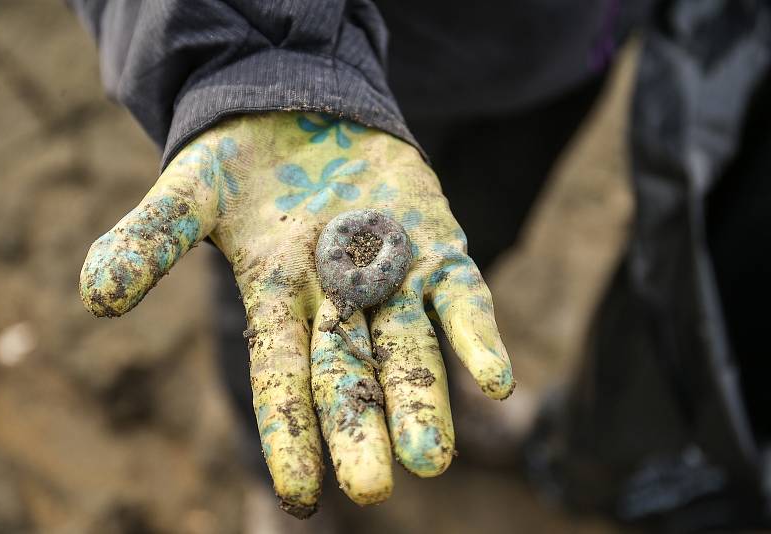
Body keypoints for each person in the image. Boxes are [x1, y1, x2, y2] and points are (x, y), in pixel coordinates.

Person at [71, 0, 771, 530]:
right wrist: (251, 52)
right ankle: (277, 480)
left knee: (465, 245)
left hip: (566, 46)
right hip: (351, 63)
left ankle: (441, 377)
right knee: (280, 305)